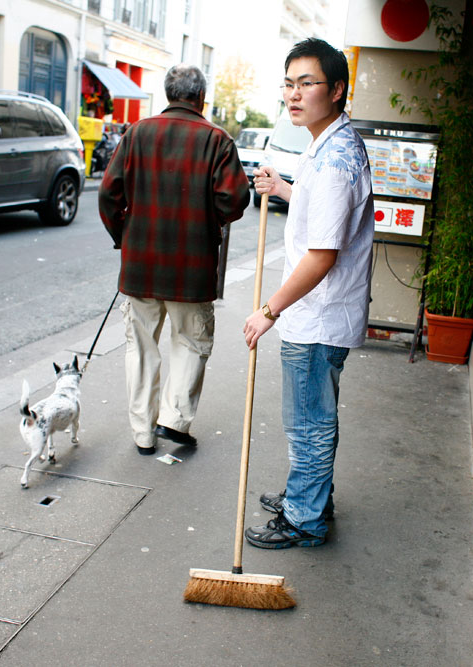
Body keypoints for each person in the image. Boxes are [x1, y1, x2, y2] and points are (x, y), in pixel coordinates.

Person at [243, 38, 375, 549]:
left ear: (337, 89)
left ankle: (305, 518)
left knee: (309, 423)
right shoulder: (325, 144)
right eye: (289, 83)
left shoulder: (337, 157)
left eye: (307, 83)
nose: (293, 95)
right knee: (307, 419)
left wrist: (268, 309)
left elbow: (323, 253)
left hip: (317, 316)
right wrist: (283, 189)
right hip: (316, 313)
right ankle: (308, 494)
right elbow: (323, 215)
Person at [99, 64, 250, 455]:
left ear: (168, 95)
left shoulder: (136, 134)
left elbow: (108, 195)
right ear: (201, 98)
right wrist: (207, 218)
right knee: (191, 341)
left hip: (140, 265)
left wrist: (124, 237)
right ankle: (174, 421)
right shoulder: (217, 141)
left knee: (141, 346)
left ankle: (142, 432)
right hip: (192, 267)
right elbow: (234, 201)